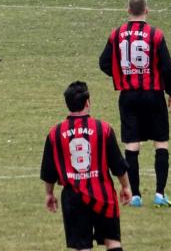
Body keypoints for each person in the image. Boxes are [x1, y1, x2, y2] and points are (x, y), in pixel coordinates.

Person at [99, 0, 171, 208]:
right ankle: (160, 193)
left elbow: (104, 62)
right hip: (153, 95)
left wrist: (121, 74)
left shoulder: (116, 34)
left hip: (128, 96)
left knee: (132, 144)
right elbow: (167, 67)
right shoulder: (155, 34)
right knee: (160, 141)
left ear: (128, 11)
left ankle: (135, 195)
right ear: (147, 10)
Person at [40, 81, 132, 251]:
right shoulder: (103, 129)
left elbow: (48, 172)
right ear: (88, 102)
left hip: (73, 198)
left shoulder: (55, 133)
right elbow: (118, 165)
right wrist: (125, 186)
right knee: (113, 242)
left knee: (82, 247)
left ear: (67, 104)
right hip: (102, 194)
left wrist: (49, 194)